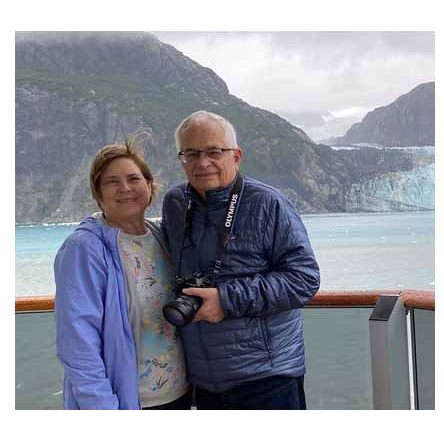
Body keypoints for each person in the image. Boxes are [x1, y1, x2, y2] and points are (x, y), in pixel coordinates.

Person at [161, 111, 320, 409]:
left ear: (236, 156)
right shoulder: (174, 204)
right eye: (191, 153)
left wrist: (225, 300)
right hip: (203, 380)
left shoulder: (267, 202)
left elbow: (304, 279)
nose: (202, 162)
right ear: (181, 159)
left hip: (266, 377)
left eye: (213, 152)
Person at [54, 136, 191, 409]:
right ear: (98, 194)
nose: (125, 188)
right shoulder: (85, 247)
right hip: (128, 402)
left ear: (149, 186)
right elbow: (77, 342)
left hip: (180, 393)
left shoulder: (162, 235)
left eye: (133, 178)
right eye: (112, 182)